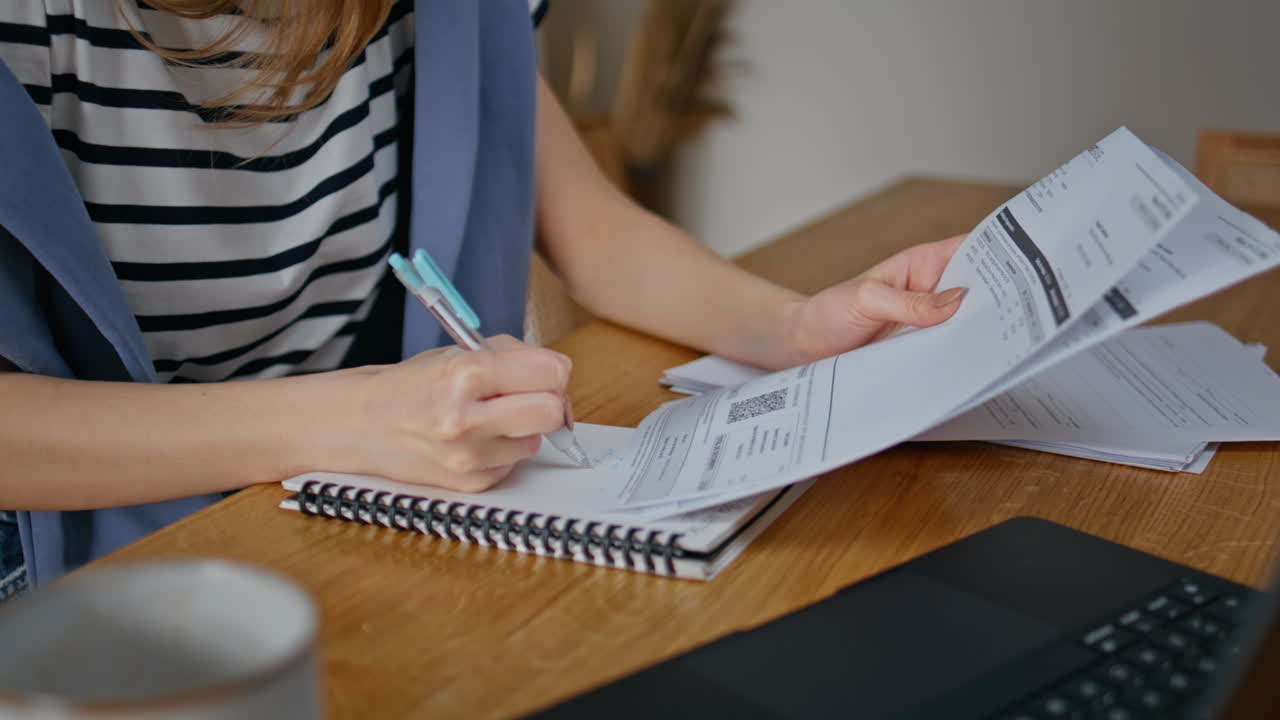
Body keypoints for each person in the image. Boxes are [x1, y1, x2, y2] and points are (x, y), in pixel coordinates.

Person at [0, 0, 966, 598]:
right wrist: (349, 421)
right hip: (63, 575)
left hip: (338, 524)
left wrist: (796, 327)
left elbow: (594, 235)